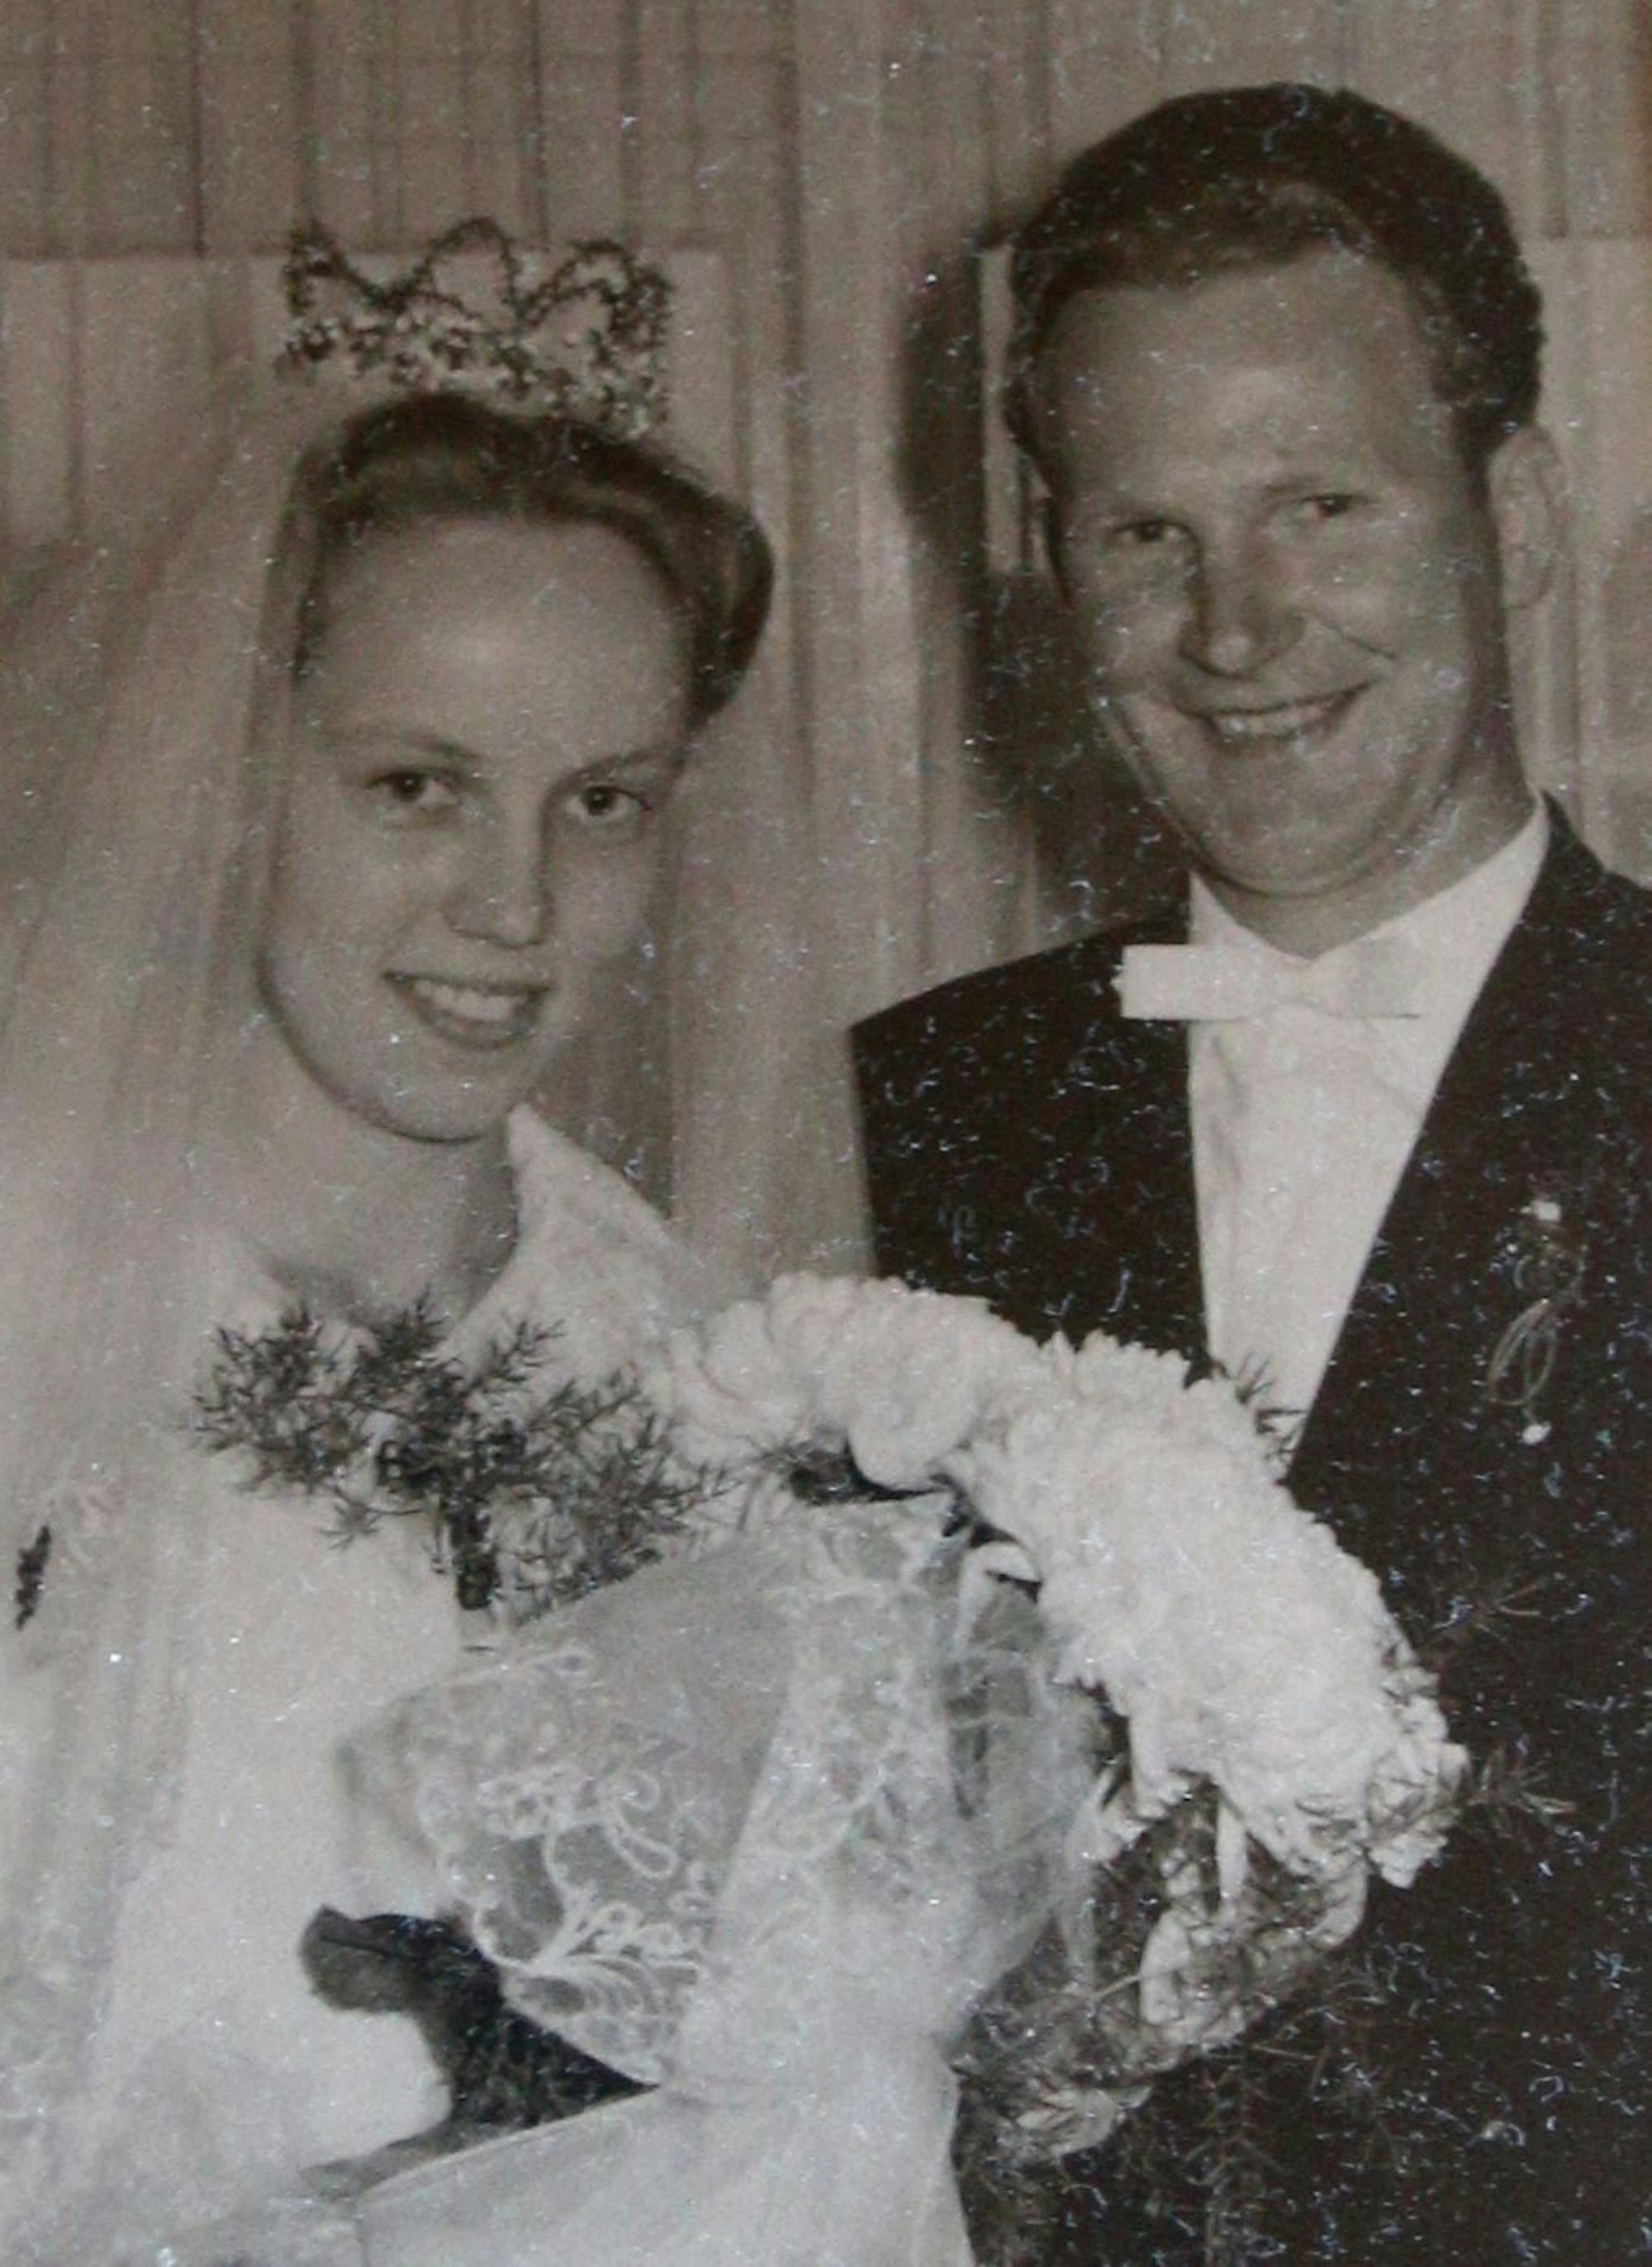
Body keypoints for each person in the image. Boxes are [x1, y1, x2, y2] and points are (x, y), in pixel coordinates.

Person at [856, 84, 1651, 2260]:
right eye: (1146, 535)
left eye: (1325, 504)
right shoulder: (922, 1108)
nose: (1237, 627)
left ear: (1529, 504)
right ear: (1048, 566)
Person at [0, 335, 771, 2260]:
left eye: (601, 803)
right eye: (416, 786)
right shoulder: (30, 1272)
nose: (514, 906)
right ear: (228, 772)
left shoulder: (698, 1368)